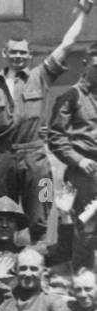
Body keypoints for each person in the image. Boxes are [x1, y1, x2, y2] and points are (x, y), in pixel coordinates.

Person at [0, 0, 93, 241]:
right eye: (14, 52)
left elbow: (67, 45)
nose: (18, 56)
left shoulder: (39, 76)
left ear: (29, 56)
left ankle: (38, 262)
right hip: (3, 159)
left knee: (42, 210)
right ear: (5, 54)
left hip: (37, 160)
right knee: (2, 214)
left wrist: (84, 14)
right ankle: (5, 265)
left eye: (23, 53)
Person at [49, 42, 97, 220]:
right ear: (86, 63)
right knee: (86, 229)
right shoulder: (71, 96)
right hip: (84, 173)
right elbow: (55, 136)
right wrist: (79, 160)